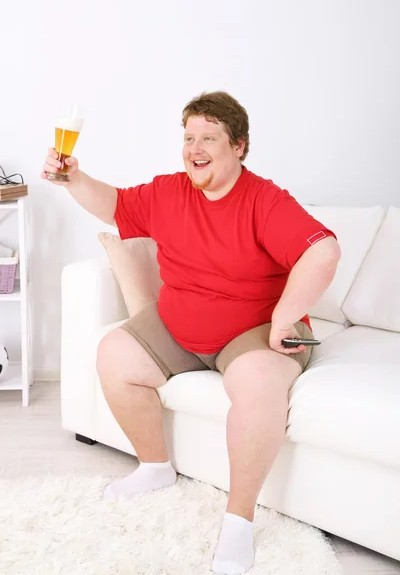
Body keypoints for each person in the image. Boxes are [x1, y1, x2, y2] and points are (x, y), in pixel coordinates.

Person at [42, 91, 341, 575]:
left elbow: (323, 249)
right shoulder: (169, 191)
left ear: (239, 146)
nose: (195, 148)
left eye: (209, 138)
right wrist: (73, 177)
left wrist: (286, 317)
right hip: (179, 324)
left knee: (258, 386)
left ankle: (239, 522)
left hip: (252, 329)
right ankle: (155, 467)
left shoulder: (265, 200)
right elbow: (116, 205)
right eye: (188, 138)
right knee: (114, 353)